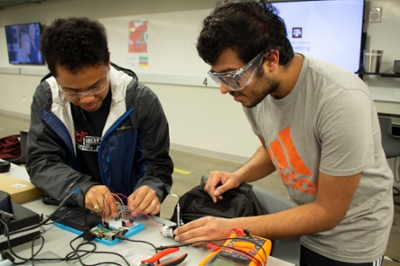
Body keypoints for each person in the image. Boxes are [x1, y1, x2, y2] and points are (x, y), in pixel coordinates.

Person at [173, 1, 394, 265]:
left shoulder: (341, 99)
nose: (224, 89)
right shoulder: (254, 92)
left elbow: (329, 212)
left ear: (271, 59)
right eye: (219, 77)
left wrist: (232, 227)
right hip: (300, 224)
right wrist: (238, 176)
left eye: (232, 76)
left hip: (350, 241)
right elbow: (274, 148)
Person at [26, 17, 173, 217]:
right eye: (72, 91)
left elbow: (157, 164)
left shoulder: (140, 101)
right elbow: (41, 161)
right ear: (51, 72)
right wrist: (81, 189)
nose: (87, 99)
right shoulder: (47, 100)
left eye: (96, 86)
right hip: (72, 210)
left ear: (108, 61)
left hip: (127, 215)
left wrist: (151, 188)